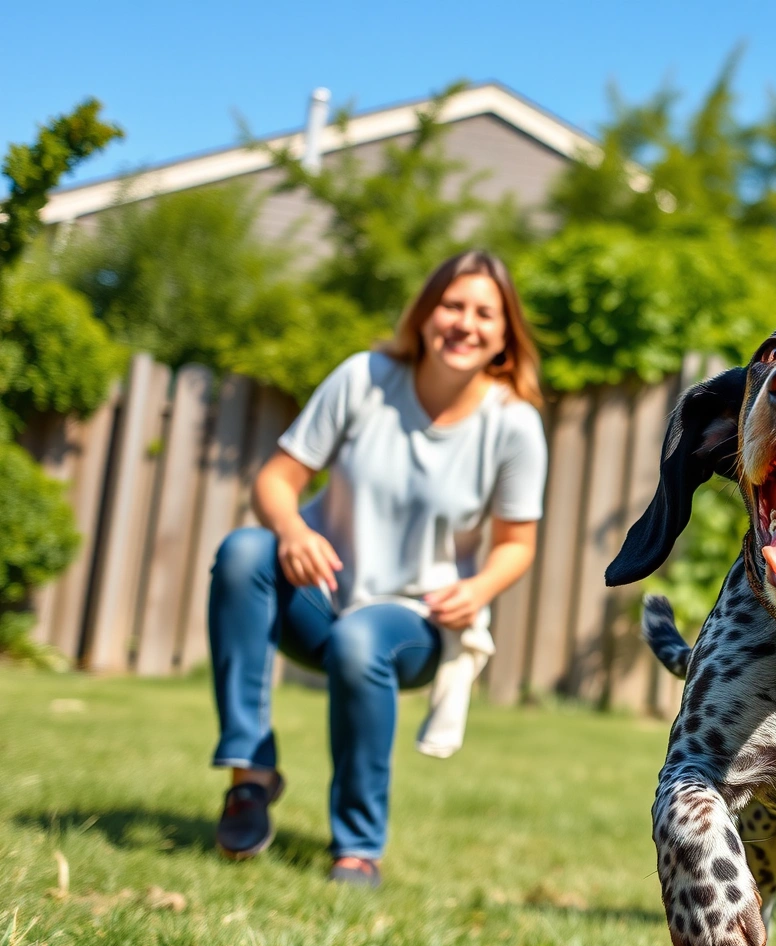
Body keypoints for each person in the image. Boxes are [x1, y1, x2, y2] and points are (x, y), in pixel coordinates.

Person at [207, 250, 548, 887]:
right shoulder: (363, 378)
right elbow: (277, 480)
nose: (464, 324)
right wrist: (292, 530)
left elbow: (516, 544)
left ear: (504, 336)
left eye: (484, 313)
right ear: (424, 315)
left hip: (416, 621)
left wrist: (476, 590)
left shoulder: (514, 425)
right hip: (323, 595)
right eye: (452, 306)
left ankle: (358, 847)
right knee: (243, 553)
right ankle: (249, 777)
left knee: (362, 638)